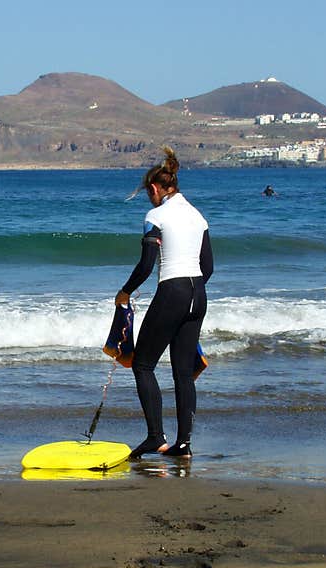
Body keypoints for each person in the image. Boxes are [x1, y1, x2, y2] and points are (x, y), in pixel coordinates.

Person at [116, 146, 213, 459]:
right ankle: (183, 445)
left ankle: (155, 437)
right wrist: (189, 293)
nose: (149, 198)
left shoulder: (155, 216)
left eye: (149, 193)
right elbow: (208, 267)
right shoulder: (198, 217)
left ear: (155, 188)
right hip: (198, 294)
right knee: (183, 372)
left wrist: (125, 292)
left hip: (173, 292)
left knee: (143, 364)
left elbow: (146, 265)